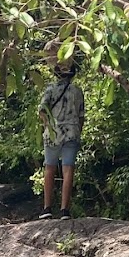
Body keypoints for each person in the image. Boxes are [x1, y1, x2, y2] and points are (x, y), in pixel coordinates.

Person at [38, 60, 84, 220]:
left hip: (53, 133)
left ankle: (47, 208)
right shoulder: (78, 91)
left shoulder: (50, 89)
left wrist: (47, 125)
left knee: (50, 168)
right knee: (68, 169)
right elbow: (81, 116)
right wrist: (78, 131)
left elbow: (42, 110)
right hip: (72, 132)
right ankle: (65, 210)